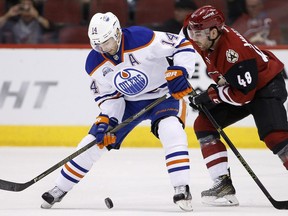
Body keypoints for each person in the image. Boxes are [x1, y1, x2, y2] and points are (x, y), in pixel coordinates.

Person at [41, 12, 196, 211]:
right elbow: (108, 97)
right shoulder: (94, 62)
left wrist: (181, 71)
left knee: (171, 130)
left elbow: (182, 44)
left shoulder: (141, 38)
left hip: (163, 95)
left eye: (105, 42)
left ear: (117, 33)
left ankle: (181, 187)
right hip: (128, 102)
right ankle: (59, 188)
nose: (102, 49)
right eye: (96, 44)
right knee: (93, 141)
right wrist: (107, 119)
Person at [180, 5, 288, 206]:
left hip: (266, 85)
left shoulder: (234, 53)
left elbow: (242, 97)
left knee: (276, 137)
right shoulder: (199, 32)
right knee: (204, 125)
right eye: (193, 33)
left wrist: (212, 95)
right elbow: (183, 33)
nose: (194, 38)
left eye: (199, 34)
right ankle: (223, 185)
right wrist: (177, 68)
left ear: (214, 32)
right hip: (239, 86)